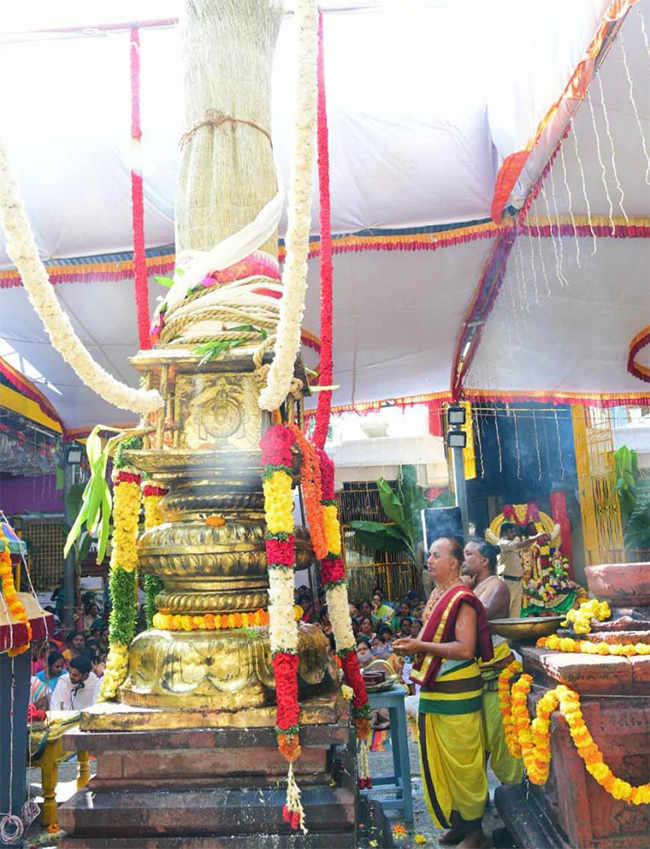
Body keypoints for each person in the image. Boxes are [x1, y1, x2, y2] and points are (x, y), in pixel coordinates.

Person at [394, 537, 493, 849]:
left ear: (454, 563)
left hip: (459, 692)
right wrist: (409, 653)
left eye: (437, 555)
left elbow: (465, 648)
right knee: (442, 763)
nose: (430, 560)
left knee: (464, 762)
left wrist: (420, 646)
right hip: (436, 689)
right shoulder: (438, 594)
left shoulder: (462, 598)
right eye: (430, 555)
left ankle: (476, 832)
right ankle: (459, 824)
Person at [463, 539, 524, 787]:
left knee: (502, 739)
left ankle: (516, 798)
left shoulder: (497, 586)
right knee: (477, 741)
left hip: (497, 674)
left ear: (484, 561)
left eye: (468, 554)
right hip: (475, 675)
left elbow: (474, 622)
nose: (463, 558)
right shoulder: (475, 586)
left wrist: (463, 592)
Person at [497, 523, 547, 617]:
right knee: (507, 611)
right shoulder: (503, 543)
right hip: (507, 582)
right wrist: (536, 537)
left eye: (514, 531)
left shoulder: (512, 543)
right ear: (504, 533)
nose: (514, 533)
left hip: (517, 582)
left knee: (515, 613)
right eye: (511, 531)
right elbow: (523, 544)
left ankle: (514, 631)